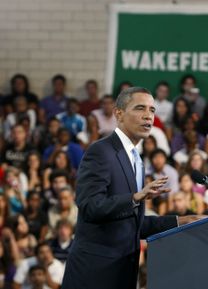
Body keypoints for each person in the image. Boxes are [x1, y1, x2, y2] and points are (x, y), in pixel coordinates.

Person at [61, 87, 197, 289]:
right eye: (140, 108)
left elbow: (130, 225)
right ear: (119, 113)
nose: (147, 116)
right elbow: (90, 207)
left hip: (122, 273)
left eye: (152, 110)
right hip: (94, 274)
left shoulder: (136, 159)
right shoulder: (101, 151)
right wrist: (134, 197)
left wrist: (179, 221)